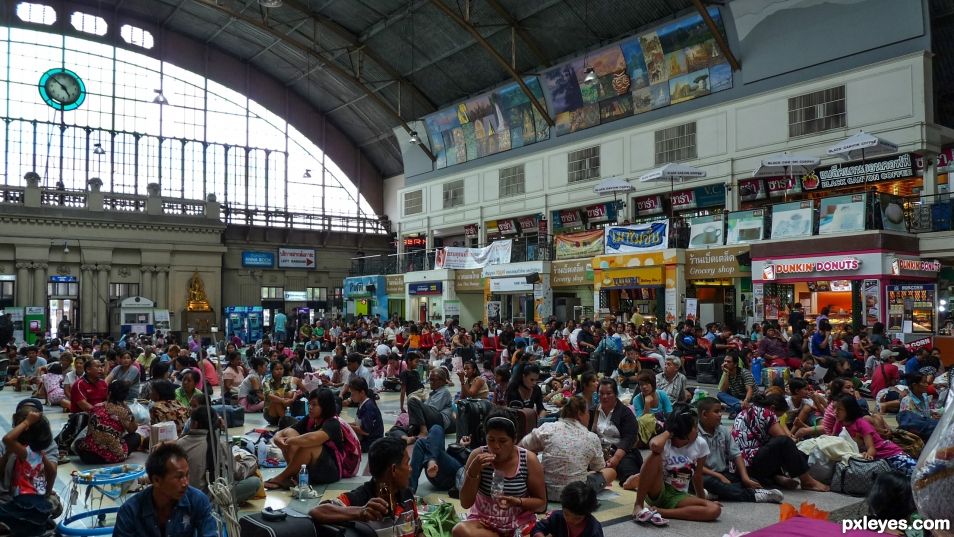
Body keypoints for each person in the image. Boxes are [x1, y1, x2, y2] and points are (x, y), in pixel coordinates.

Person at [453, 413, 547, 537]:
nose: (496, 446)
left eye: (503, 441)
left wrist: (518, 501)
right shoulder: (478, 456)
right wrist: (473, 472)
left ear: (514, 440)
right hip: (484, 523)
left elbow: (541, 505)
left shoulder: (528, 459)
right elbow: (465, 503)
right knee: (459, 530)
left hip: (519, 524)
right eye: (491, 440)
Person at [632, 404, 722, 526]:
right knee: (655, 455)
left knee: (714, 510)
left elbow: (698, 476)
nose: (697, 430)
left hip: (678, 495)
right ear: (684, 432)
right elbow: (655, 445)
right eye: (695, 428)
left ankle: (662, 512)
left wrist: (702, 502)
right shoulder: (665, 443)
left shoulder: (700, 444)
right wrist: (669, 431)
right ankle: (638, 504)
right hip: (658, 489)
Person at [309, 437, 419, 530]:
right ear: (394, 469)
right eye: (407, 463)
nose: (410, 469)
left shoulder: (407, 496)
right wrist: (361, 512)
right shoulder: (359, 499)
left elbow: (418, 532)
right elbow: (317, 511)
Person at [519, 395, 616, 500]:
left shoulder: (548, 428)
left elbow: (521, 446)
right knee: (611, 472)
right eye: (587, 412)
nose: (589, 416)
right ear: (580, 414)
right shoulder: (591, 437)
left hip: (545, 492)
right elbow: (598, 467)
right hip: (576, 495)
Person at [730, 393, 829, 492]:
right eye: (778, 416)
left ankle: (777, 477)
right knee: (784, 442)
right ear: (773, 408)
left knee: (775, 445)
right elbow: (784, 438)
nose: (777, 418)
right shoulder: (767, 413)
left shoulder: (748, 411)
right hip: (748, 464)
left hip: (738, 466)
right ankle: (807, 481)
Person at [114, 443, 217, 537]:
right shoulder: (130, 512)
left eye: (187, 475)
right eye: (178, 477)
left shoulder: (197, 500)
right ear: (156, 480)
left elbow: (210, 533)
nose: (186, 483)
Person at [696, 397, 784, 504]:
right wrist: (719, 476)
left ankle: (714, 494)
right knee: (709, 482)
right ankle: (754, 496)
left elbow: (737, 455)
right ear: (704, 414)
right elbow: (694, 465)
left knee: (751, 480)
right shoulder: (694, 434)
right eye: (716, 412)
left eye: (721, 411)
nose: (720, 414)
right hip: (702, 474)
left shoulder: (722, 430)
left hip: (723, 472)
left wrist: (745, 477)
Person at [177, 406, 262, 504]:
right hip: (208, 500)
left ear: (194, 424)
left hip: (182, 498)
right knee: (254, 482)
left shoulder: (178, 443)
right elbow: (239, 473)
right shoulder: (218, 443)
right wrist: (252, 459)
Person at [266, 388, 349, 489]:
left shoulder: (333, 423)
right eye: (310, 404)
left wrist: (288, 441)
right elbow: (286, 430)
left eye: (314, 405)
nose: (310, 407)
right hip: (311, 466)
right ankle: (294, 476)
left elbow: (313, 439)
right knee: (290, 433)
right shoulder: (311, 419)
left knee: (308, 446)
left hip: (330, 470)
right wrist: (278, 438)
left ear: (325, 406)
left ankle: (281, 478)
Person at [0, 406, 56, 537]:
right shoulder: (40, 453)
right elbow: (52, 473)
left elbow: (7, 439)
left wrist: (27, 422)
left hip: (25, 503)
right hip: (40, 503)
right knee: (32, 529)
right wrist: (47, 493)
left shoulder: (25, 452)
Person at [832, 395, 918, 476]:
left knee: (917, 474)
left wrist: (867, 456)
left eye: (839, 409)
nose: (835, 412)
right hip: (877, 460)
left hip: (889, 454)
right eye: (834, 408)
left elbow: (871, 448)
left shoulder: (861, 423)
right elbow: (833, 439)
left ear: (849, 410)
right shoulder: (839, 423)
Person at [589, 378, 642, 490]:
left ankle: (631, 480)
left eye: (608, 393)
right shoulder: (592, 411)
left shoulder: (625, 413)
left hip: (619, 451)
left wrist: (616, 458)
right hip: (597, 450)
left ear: (616, 394)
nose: (604, 397)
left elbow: (629, 437)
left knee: (626, 466)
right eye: (601, 394)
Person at [74, 380, 141, 463]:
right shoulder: (123, 411)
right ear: (125, 396)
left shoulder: (96, 407)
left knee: (79, 442)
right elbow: (132, 429)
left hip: (88, 455)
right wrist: (128, 410)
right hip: (109, 456)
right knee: (135, 437)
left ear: (109, 393)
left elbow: (90, 430)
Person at [531, 481, 604, 537]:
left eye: (577, 518)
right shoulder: (557, 517)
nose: (570, 520)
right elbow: (538, 528)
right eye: (566, 514)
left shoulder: (593, 530)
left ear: (587, 514)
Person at [405, 367, 454, 443]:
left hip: (440, 420)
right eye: (430, 380)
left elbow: (432, 409)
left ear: (442, 381)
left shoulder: (444, 392)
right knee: (398, 427)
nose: (431, 382)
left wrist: (418, 406)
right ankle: (409, 432)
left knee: (412, 401)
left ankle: (423, 431)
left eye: (433, 380)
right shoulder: (433, 393)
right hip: (431, 419)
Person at [898, 372, 940, 441]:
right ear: (915, 385)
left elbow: (925, 413)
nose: (927, 385)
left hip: (927, 428)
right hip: (916, 435)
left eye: (927, 382)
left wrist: (932, 414)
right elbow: (909, 424)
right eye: (924, 382)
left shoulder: (924, 396)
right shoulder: (907, 401)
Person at [349, 377, 383, 452]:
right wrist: (346, 424)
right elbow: (360, 422)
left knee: (346, 446)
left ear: (362, 393)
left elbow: (366, 431)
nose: (351, 397)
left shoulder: (368, 407)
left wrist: (348, 427)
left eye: (353, 394)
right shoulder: (362, 403)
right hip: (368, 439)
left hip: (372, 442)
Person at [262, 360, 300, 426]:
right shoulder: (267, 381)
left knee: (290, 393)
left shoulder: (287, 380)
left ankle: (286, 419)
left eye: (281, 369)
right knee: (276, 399)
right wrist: (282, 400)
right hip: (271, 414)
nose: (279, 371)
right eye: (277, 369)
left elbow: (294, 391)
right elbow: (269, 395)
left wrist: (292, 400)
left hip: (284, 408)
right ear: (271, 371)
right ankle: (286, 421)